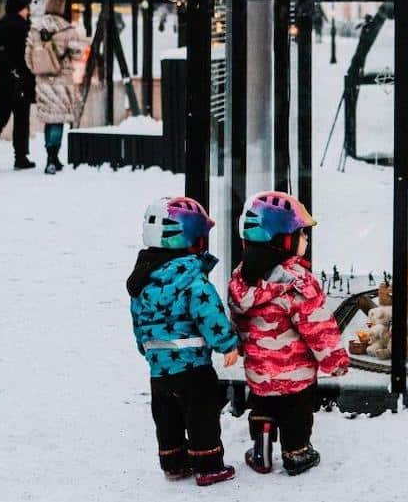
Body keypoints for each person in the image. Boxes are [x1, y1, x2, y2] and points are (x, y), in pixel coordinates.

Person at [228, 191, 348, 477]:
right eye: (302, 234)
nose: (306, 239)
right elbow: (317, 325)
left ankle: (262, 451)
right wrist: (335, 359)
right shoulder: (299, 283)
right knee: (296, 413)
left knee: (262, 408)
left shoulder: (242, 279)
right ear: (282, 240)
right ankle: (297, 453)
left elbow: (239, 320)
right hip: (295, 375)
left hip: (259, 372)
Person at [128, 196, 240, 486]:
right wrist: (227, 343)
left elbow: (139, 323)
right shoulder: (192, 278)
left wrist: (149, 351)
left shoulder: (143, 281)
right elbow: (209, 314)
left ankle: (174, 462)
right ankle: (208, 464)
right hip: (193, 367)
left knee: (167, 417)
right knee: (201, 415)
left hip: (159, 368)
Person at [26, 0, 87, 174]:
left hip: (43, 81)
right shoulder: (67, 28)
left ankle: (50, 156)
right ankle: (53, 158)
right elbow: (77, 54)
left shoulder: (36, 28)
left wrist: (39, 69)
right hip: (62, 81)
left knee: (48, 119)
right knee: (57, 120)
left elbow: (28, 56)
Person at [0, 0, 35, 170]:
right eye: (26, 8)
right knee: (21, 120)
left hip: (0, 81)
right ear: (20, 9)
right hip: (19, 80)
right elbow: (28, 57)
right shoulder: (24, 29)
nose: (28, 11)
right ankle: (20, 157)